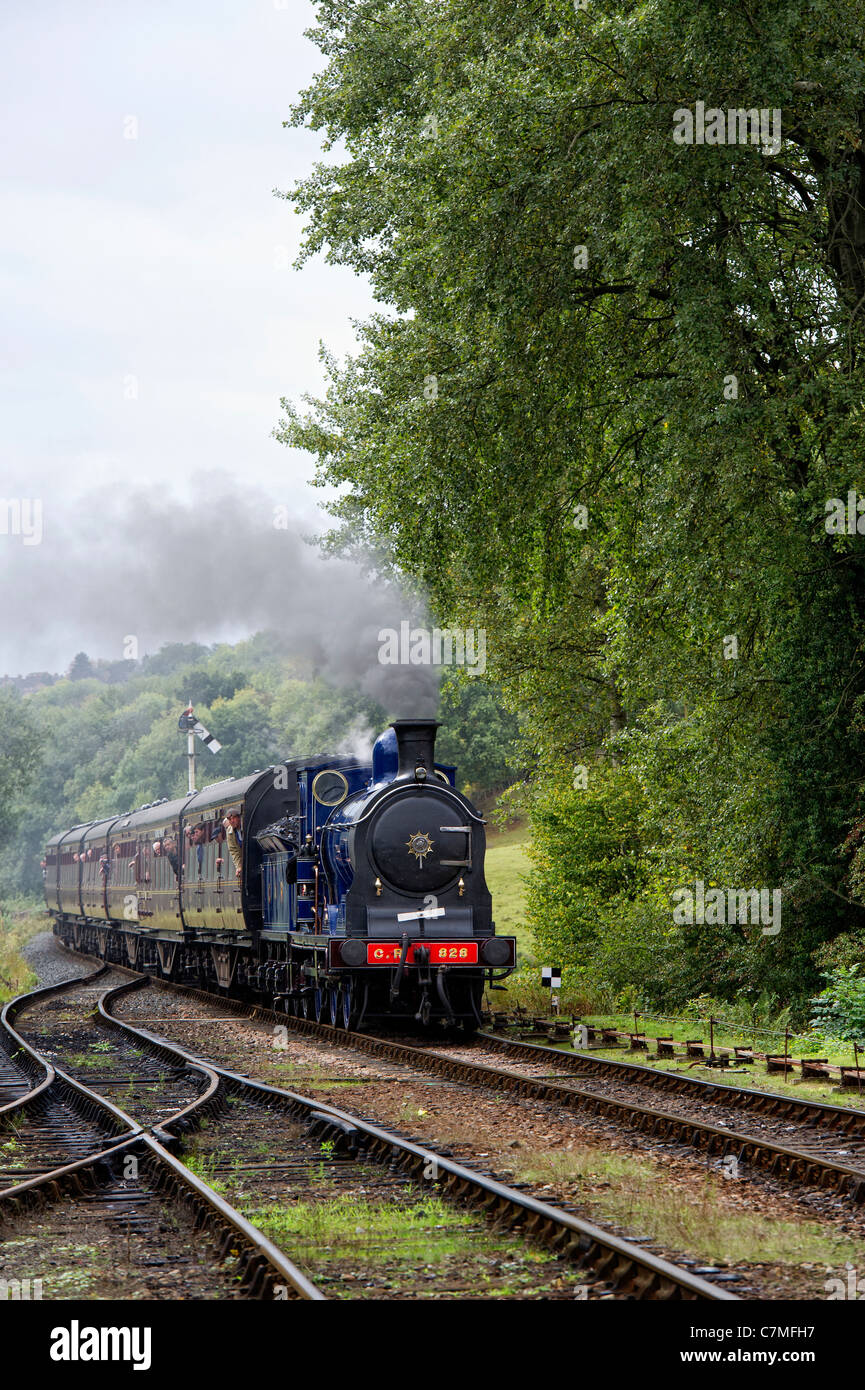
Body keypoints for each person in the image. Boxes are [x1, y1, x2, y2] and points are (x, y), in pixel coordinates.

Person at [223, 811, 243, 880]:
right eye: (229, 819)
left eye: (233, 818)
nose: (232, 821)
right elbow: (233, 850)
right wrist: (239, 866)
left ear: (239, 818)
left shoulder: (246, 825)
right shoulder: (229, 831)